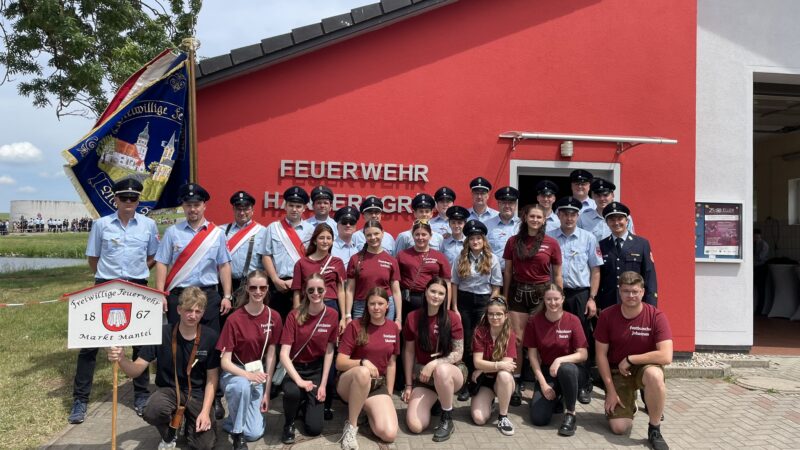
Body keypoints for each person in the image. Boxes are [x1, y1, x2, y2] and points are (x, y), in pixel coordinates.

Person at [69, 178, 159, 424]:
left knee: (140, 342)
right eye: (124, 198)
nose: (129, 203)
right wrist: (109, 279)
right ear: (115, 199)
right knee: (90, 344)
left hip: (137, 287)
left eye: (134, 199)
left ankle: (141, 395)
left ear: (138, 201)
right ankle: (80, 400)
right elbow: (93, 258)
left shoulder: (149, 226)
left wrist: (138, 272)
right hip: (106, 286)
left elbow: (152, 256)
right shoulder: (101, 225)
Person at [155, 182, 233, 419]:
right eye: (188, 205)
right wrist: (160, 293)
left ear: (204, 206)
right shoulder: (173, 233)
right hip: (180, 295)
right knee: (175, 345)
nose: (193, 209)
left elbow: (224, 265)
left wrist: (227, 295)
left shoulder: (216, 234)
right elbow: (161, 262)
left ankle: (214, 397)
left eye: (197, 204)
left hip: (208, 295)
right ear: (183, 207)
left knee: (210, 347)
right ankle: (174, 393)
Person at [107, 287, 220, 450]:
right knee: (152, 410)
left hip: (196, 394)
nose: (193, 315)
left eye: (198, 311)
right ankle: (170, 433)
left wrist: (205, 411)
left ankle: (190, 423)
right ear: (179, 310)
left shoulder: (210, 337)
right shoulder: (161, 334)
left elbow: (212, 379)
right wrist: (122, 359)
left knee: (204, 445)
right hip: (169, 391)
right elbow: (136, 370)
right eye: (188, 310)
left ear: (203, 313)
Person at [594, 271, 672, 450]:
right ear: (619, 292)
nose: (631, 295)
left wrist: (631, 359)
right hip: (617, 372)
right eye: (626, 291)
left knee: (655, 375)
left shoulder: (656, 316)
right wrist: (610, 391)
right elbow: (600, 356)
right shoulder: (607, 315)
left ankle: (654, 429)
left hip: (644, 368)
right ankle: (630, 404)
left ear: (643, 292)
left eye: (635, 291)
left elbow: (666, 356)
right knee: (619, 428)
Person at [502, 203, 563, 406]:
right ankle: (517, 381)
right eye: (532, 216)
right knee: (517, 341)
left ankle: (543, 380)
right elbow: (508, 272)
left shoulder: (552, 243)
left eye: (539, 217)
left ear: (544, 219)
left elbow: (558, 274)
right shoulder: (512, 242)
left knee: (542, 339)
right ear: (525, 218)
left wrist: (558, 298)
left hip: (542, 293)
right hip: (518, 292)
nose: (535, 220)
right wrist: (505, 296)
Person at [216, 270, 283, 449]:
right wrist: (247, 375)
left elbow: (270, 356)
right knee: (242, 386)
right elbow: (225, 362)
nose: (258, 291)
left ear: (267, 289)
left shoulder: (274, 317)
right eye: (253, 287)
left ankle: (231, 421)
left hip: (257, 373)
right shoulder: (234, 319)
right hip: (235, 373)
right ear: (247, 288)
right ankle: (238, 434)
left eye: (262, 287)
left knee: (254, 434)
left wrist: (267, 392)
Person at [547, 196, 603, 404]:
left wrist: (592, 298)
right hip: (555, 294)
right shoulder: (550, 237)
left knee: (582, 339)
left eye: (573, 214)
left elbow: (595, 270)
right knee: (556, 336)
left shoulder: (588, 238)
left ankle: (584, 383)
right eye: (564, 214)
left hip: (580, 294)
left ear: (578, 216)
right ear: (558, 215)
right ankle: (557, 379)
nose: (569, 218)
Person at [291, 222, 347, 419]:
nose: (325, 241)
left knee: (329, 357)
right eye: (321, 237)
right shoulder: (302, 263)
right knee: (307, 353)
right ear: (315, 239)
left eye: (329, 238)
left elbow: (341, 290)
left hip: (330, 309)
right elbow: (297, 291)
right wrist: (297, 314)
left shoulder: (337, 262)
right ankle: (303, 398)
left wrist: (344, 316)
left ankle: (326, 402)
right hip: (308, 309)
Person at [402, 277, 466, 442]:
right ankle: (437, 400)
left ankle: (447, 417)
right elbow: (408, 352)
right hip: (424, 376)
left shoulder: (452, 318)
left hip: (451, 372)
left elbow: (458, 353)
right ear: (425, 292)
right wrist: (409, 385)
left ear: (445, 297)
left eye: (441, 293)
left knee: (441, 370)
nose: (436, 296)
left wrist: (435, 363)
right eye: (433, 291)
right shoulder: (412, 317)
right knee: (415, 426)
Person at [336, 288, 401, 449]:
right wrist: (362, 362)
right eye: (372, 303)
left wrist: (389, 394)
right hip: (350, 382)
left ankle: (365, 410)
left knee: (389, 434)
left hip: (376, 385)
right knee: (363, 372)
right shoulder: (355, 326)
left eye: (380, 303)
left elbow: (392, 363)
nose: (376, 307)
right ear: (367, 305)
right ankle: (351, 426)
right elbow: (340, 362)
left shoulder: (393, 328)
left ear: (387, 306)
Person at [279, 273, 338, 444]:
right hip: (295, 368)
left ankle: (305, 405)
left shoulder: (332, 315)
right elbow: (283, 354)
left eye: (320, 289)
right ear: (305, 291)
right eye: (311, 290)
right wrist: (299, 381)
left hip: (316, 369)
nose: (316, 293)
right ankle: (288, 423)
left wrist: (324, 385)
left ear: (326, 291)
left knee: (314, 429)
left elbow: (329, 351)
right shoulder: (294, 315)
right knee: (291, 392)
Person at [525, 284, 588, 437]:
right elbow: (532, 356)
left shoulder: (573, 320)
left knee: (566, 369)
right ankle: (557, 398)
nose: (553, 303)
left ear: (563, 299)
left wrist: (559, 360)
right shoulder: (534, 321)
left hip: (572, 371)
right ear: (544, 300)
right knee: (538, 419)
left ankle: (570, 414)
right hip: (547, 373)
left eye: (556, 299)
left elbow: (583, 354)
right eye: (549, 299)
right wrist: (543, 384)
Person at [451, 219, 502, 401]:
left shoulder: (492, 258)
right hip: (464, 301)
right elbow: (454, 284)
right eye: (472, 239)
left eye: (478, 238)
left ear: (484, 240)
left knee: (479, 341)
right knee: (464, 342)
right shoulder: (460, 257)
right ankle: (464, 383)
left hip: (483, 302)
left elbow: (496, 285)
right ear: (468, 241)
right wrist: (454, 307)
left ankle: (477, 381)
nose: (475, 242)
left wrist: (492, 307)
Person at [260, 186, 315, 319]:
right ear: (285, 206)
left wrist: (297, 281)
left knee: (300, 323)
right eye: (291, 205)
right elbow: (266, 255)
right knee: (275, 323)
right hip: (278, 285)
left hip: (302, 284)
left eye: (298, 206)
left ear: (304, 208)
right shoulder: (273, 228)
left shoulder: (311, 230)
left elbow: (313, 258)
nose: (294, 209)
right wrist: (275, 279)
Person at [469, 296, 517, 436]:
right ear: (487, 314)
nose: (494, 317)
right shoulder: (480, 332)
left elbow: (508, 366)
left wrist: (483, 368)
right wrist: (497, 364)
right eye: (491, 313)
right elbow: (477, 362)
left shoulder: (509, 334)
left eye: (498, 314)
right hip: (485, 382)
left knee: (504, 375)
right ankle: (490, 403)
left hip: (503, 382)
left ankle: (503, 417)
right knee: (479, 419)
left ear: (505, 315)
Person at [597, 202, 658, 309]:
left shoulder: (642, 244)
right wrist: (597, 303)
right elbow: (599, 277)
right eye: (612, 220)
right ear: (606, 223)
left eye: (620, 218)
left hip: (635, 302)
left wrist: (651, 305)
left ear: (627, 220)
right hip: (609, 304)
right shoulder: (601, 245)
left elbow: (649, 276)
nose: (616, 223)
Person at [345, 220, 402, 324]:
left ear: (383, 233)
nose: (373, 237)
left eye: (376, 233)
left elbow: (396, 291)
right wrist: (347, 315)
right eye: (369, 235)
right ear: (364, 236)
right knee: (360, 338)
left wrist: (398, 318)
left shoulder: (391, 260)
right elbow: (349, 289)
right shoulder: (355, 259)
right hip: (361, 305)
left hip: (385, 306)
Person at [397, 220, 452, 320]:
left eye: (424, 234)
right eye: (417, 234)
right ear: (412, 235)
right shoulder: (402, 255)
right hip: (407, 300)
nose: (420, 238)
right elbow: (395, 280)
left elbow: (447, 282)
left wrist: (446, 308)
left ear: (430, 236)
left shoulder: (439, 256)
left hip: (431, 300)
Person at [221, 191, 266, 295]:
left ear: (252, 210)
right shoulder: (222, 231)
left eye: (246, 208)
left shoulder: (263, 231)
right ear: (233, 209)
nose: (242, 212)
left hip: (252, 286)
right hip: (227, 285)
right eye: (238, 209)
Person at [485, 186, 521, 271]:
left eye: (511, 203)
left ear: (515, 205)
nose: (507, 206)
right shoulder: (487, 225)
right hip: (493, 274)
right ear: (498, 204)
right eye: (504, 203)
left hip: (517, 274)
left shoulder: (523, 225)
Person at [332, 206, 365, 270]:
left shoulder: (358, 249)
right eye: (344, 222)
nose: (348, 225)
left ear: (355, 226)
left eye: (352, 222)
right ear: (337, 225)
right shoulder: (330, 248)